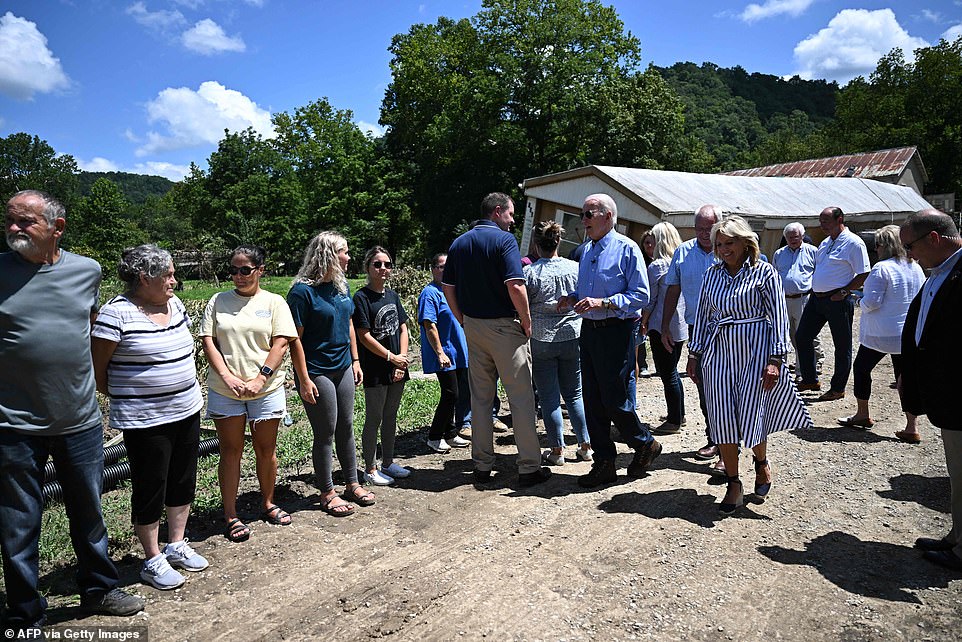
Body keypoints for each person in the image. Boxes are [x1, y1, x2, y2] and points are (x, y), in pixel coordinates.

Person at [1, 190, 143, 632]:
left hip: (79, 419)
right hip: (13, 423)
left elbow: (88, 327)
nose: (14, 228)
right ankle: (26, 614)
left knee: (89, 511)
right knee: (18, 523)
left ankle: (99, 589)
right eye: (10, 220)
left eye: (26, 222)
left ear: (56, 228)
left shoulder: (87, 271)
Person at [92, 244, 208, 589]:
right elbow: (99, 371)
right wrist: (136, 396)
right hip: (145, 418)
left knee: (183, 478)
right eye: (168, 274)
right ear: (145, 278)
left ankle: (176, 544)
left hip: (186, 409)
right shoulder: (116, 313)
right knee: (150, 484)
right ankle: (152, 558)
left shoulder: (175, 305)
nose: (174, 280)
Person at [686, 216, 812, 513]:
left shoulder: (764, 272)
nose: (723, 249)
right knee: (722, 418)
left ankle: (761, 461)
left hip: (755, 352)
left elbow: (779, 316)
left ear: (745, 242)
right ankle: (733, 482)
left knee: (753, 414)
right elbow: (704, 316)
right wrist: (694, 354)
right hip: (719, 353)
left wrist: (776, 359)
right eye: (719, 244)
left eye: (729, 243)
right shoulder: (712, 275)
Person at [442, 192, 551, 487]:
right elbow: (515, 285)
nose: (513, 221)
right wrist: (527, 322)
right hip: (505, 328)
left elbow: (447, 285)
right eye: (511, 214)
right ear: (497, 211)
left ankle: (481, 464)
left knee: (480, 399)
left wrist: (461, 317)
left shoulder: (459, 243)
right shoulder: (504, 241)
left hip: (474, 328)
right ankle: (529, 466)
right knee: (521, 398)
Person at [558, 194, 660, 488]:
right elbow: (591, 294)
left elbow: (641, 296)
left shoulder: (626, 249)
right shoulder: (586, 251)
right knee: (591, 398)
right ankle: (604, 462)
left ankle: (644, 443)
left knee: (614, 398)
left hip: (617, 331)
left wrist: (604, 303)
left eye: (588, 214)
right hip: (589, 331)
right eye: (583, 214)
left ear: (608, 216)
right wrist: (574, 299)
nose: (583, 220)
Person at [199, 245, 298, 542]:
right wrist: (228, 377)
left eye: (245, 270)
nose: (238, 276)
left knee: (266, 450)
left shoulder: (274, 302)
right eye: (233, 270)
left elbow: (281, 343)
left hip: (265, 389)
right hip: (225, 389)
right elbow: (208, 342)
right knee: (230, 451)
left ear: (260, 270)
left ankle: (268, 503)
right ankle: (231, 514)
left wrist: (260, 379)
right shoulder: (218, 301)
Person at [287, 231, 374, 516]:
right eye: (344, 252)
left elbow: (348, 322)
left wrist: (356, 359)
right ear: (327, 255)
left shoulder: (341, 286)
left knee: (347, 426)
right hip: (317, 370)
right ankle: (327, 492)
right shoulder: (302, 292)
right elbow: (294, 338)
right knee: (325, 431)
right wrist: (303, 378)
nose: (349, 257)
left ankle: (352, 482)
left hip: (343, 366)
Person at [899, 209, 962, 572]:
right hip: (945, 393)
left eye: (911, 246)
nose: (910, 255)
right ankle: (956, 536)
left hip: (959, 393)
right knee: (958, 472)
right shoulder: (940, 272)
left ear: (934, 239)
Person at [836, 226, 924, 438]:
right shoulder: (916, 267)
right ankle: (912, 426)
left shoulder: (881, 268)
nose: (875, 248)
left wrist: (858, 299)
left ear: (885, 246)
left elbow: (872, 302)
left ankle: (862, 413)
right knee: (905, 377)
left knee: (862, 368)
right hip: (907, 333)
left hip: (881, 333)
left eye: (878, 244)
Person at [523, 221, 591, 465]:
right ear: (558, 241)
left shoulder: (530, 272)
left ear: (536, 244)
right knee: (575, 393)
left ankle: (557, 450)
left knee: (549, 396)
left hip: (542, 338)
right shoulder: (574, 268)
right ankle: (585, 445)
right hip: (572, 333)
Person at [661, 204, 722, 462]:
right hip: (698, 329)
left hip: (729, 329)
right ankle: (715, 439)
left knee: (728, 387)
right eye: (699, 229)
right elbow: (672, 289)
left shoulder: (729, 250)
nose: (705, 233)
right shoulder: (683, 253)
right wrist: (665, 325)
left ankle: (730, 444)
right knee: (705, 386)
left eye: (709, 228)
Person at [795, 207, 870, 401]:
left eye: (826, 220)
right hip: (817, 298)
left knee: (842, 345)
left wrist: (844, 292)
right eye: (821, 220)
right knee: (802, 337)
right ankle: (810, 379)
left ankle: (837, 388)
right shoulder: (826, 242)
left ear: (840, 219)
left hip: (837, 300)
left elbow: (863, 273)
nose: (822, 224)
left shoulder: (854, 242)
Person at [353, 246, 412, 486]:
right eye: (377, 264)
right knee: (374, 417)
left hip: (397, 365)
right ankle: (370, 467)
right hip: (376, 368)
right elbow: (363, 335)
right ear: (368, 267)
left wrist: (402, 358)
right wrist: (391, 357)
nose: (383, 269)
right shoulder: (361, 298)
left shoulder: (393, 296)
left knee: (391, 416)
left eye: (387, 264)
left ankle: (388, 462)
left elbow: (403, 327)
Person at [418, 253, 472, 453]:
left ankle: (450, 433)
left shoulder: (453, 291)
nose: (445, 270)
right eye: (440, 267)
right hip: (443, 353)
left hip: (459, 352)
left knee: (457, 394)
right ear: (433, 269)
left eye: (448, 266)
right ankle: (434, 436)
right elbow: (429, 325)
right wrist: (440, 352)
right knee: (451, 394)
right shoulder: (430, 293)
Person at [642, 223, 687, 436]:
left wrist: (643, 319)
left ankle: (674, 420)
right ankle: (680, 413)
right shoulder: (681, 262)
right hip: (680, 325)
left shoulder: (657, 266)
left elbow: (650, 299)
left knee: (667, 373)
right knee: (673, 371)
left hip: (662, 324)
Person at [772, 222, 822, 371]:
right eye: (789, 237)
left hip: (804, 299)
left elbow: (819, 274)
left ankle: (803, 371)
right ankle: (783, 370)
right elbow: (774, 275)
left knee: (804, 336)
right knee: (783, 335)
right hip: (783, 300)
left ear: (802, 236)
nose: (793, 240)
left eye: (796, 236)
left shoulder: (813, 252)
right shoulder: (779, 254)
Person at [636, 230, 656, 378]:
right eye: (646, 242)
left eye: (651, 242)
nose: (649, 245)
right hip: (643, 303)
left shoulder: (660, 261)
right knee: (641, 334)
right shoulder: (641, 261)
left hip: (656, 303)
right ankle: (642, 364)